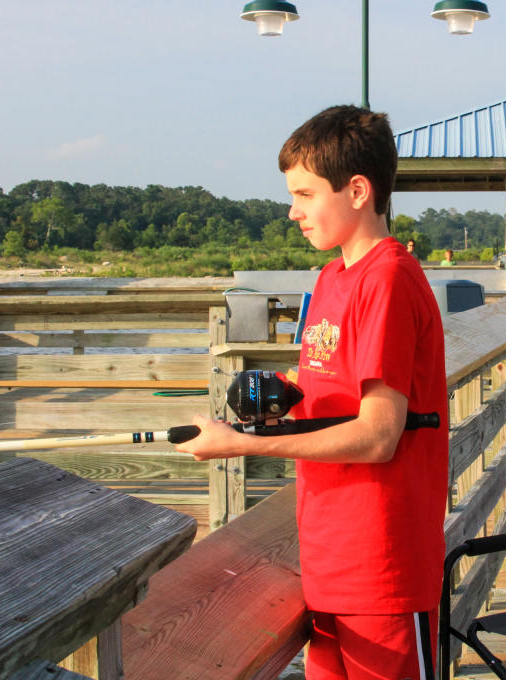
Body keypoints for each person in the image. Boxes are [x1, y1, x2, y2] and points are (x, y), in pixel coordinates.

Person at [177, 105, 449, 680]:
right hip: (327, 556)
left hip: (383, 567)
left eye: (304, 194)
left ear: (356, 190)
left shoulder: (389, 280)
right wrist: (276, 397)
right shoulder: (331, 279)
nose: (292, 211)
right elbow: (325, 385)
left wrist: (241, 447)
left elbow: (378, 436)